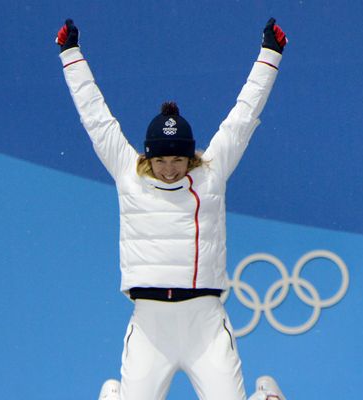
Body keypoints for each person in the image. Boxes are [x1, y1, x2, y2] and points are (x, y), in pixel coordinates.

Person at [56, 16, 287, 400]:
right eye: (161, 161)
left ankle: (266, 395)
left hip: (205, 324)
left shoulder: (211, 176)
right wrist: (71, 54)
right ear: (148, 157)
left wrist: (270, 55)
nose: (168, 169)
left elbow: (243, 117)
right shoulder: (127, 173)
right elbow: (96, 118)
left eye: (177, 160)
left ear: (189, 157)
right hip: (150, 325)